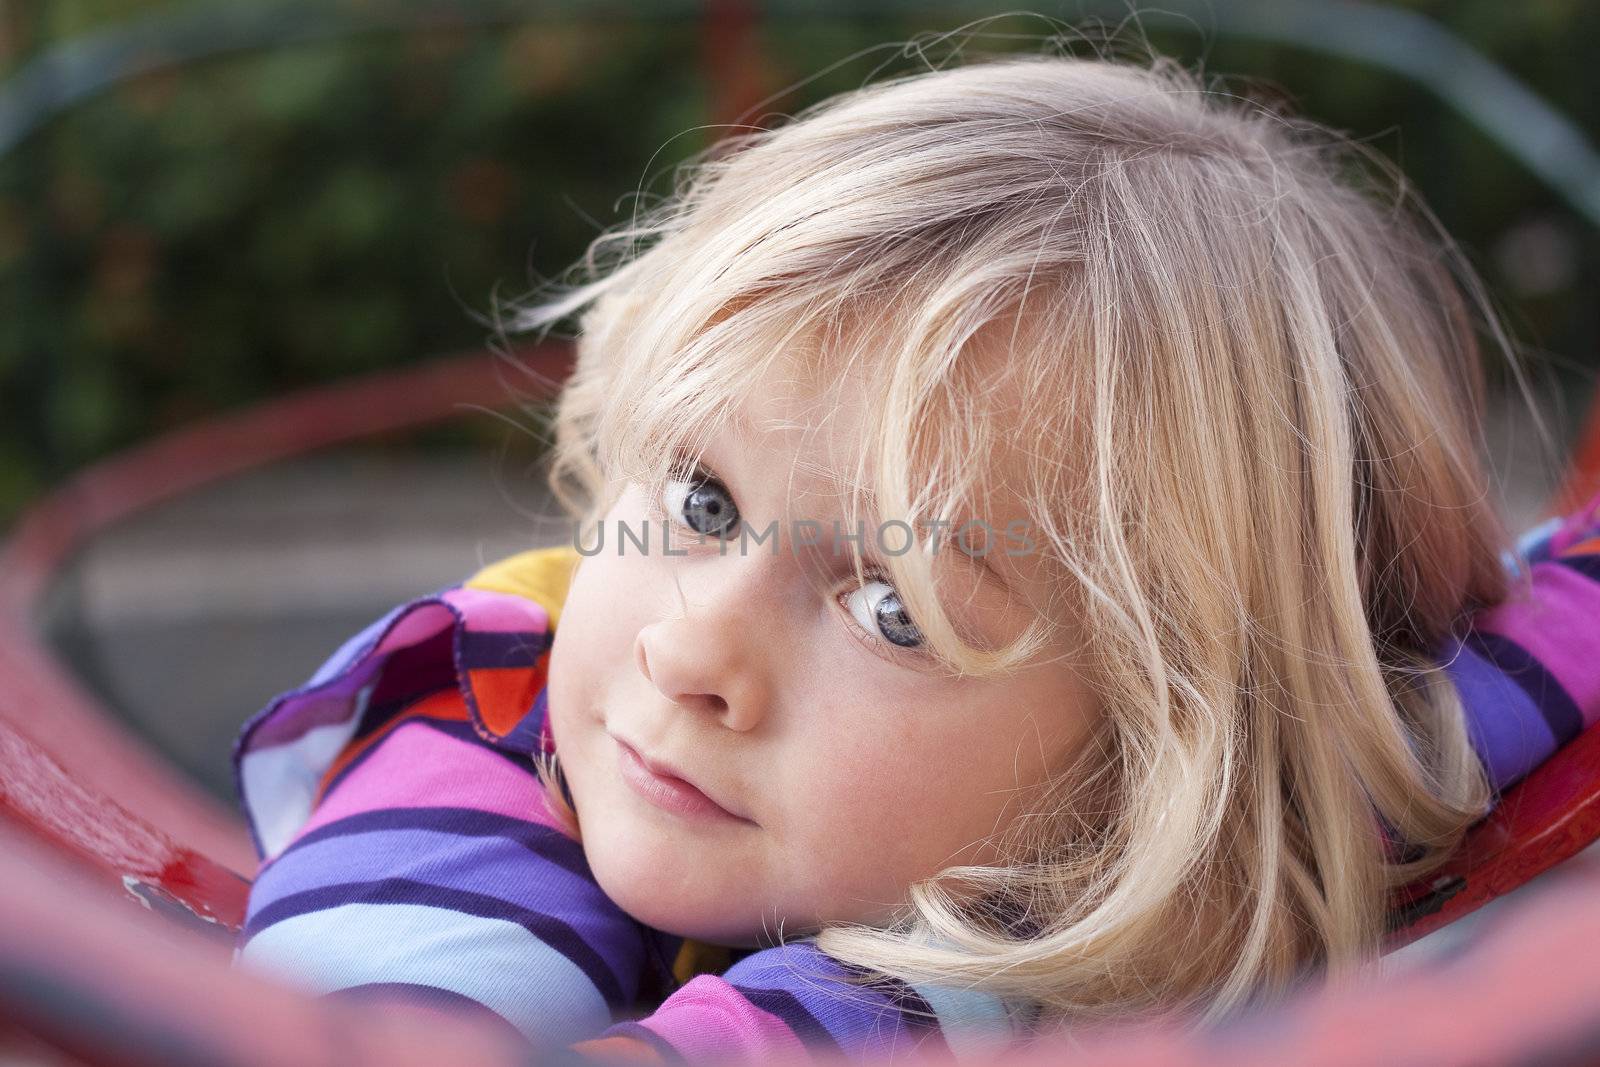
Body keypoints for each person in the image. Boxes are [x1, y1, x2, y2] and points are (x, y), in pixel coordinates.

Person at [230, 49, 1600, 1063]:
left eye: (894, 607)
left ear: (1173, 753)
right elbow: (382, 1015)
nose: (688, 650)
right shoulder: (484, 715)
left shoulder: (1267, 800)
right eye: (703, 503)